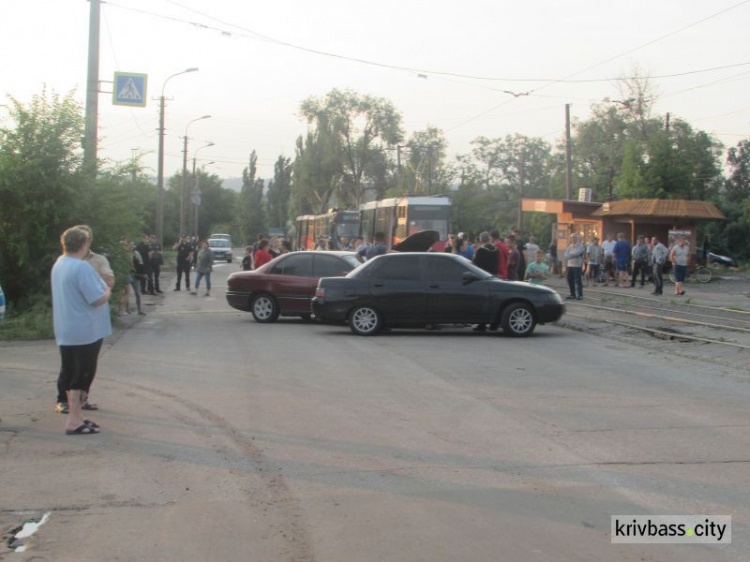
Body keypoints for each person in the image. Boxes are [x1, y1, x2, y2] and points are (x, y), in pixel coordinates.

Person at [51, 227, 111, 435]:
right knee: (82, 375)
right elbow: (96, 298)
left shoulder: (60, 263)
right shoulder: (81, 267)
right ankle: (73, 421)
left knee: (71, 372)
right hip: (85, 331)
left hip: (67, 328)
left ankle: (77, 416)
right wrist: (107, 289)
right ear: (84, 244)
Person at [471, 232, 499, 332]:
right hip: (494, 276)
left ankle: (482, 324)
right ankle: (494, 324)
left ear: (481, 240)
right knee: (494, 302)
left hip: (482, 278)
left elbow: (474, 265)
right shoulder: (496, 250)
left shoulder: (481, 250)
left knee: (482, 302)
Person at [564, 233, 585, 300]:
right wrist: (572, 255)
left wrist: (570, 255)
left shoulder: (580, 246)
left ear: (577, 238)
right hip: (570, 265)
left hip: (577, 265)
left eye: (574, 237)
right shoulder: (570, 246)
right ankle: (572, 294)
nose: (573, 238)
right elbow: (565, 255)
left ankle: (580, 295)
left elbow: (577, 253)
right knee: (569, 279)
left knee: (578, 280)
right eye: (572, 237)